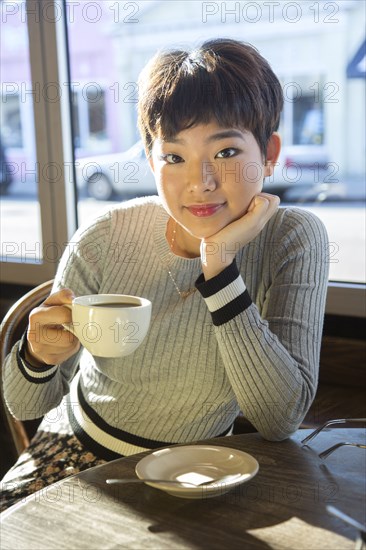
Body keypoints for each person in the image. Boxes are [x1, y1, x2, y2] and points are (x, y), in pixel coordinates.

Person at [1, 38, 329, 509]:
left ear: (269, 151)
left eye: (227, 152)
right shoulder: (104, 237)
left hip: (201, 471)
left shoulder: (292, 238)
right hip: (75, 452)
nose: (201, 182)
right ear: (151, 162)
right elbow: (27, 406)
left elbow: (280, 418)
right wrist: (36, 356)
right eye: (174, 157)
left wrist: (219, 266)